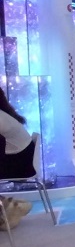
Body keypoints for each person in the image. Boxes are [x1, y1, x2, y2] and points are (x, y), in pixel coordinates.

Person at [0, 87, 33, 229]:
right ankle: (10, 206)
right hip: (24, 161)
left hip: (20, 165)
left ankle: (10, 207)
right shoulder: (4, 114)